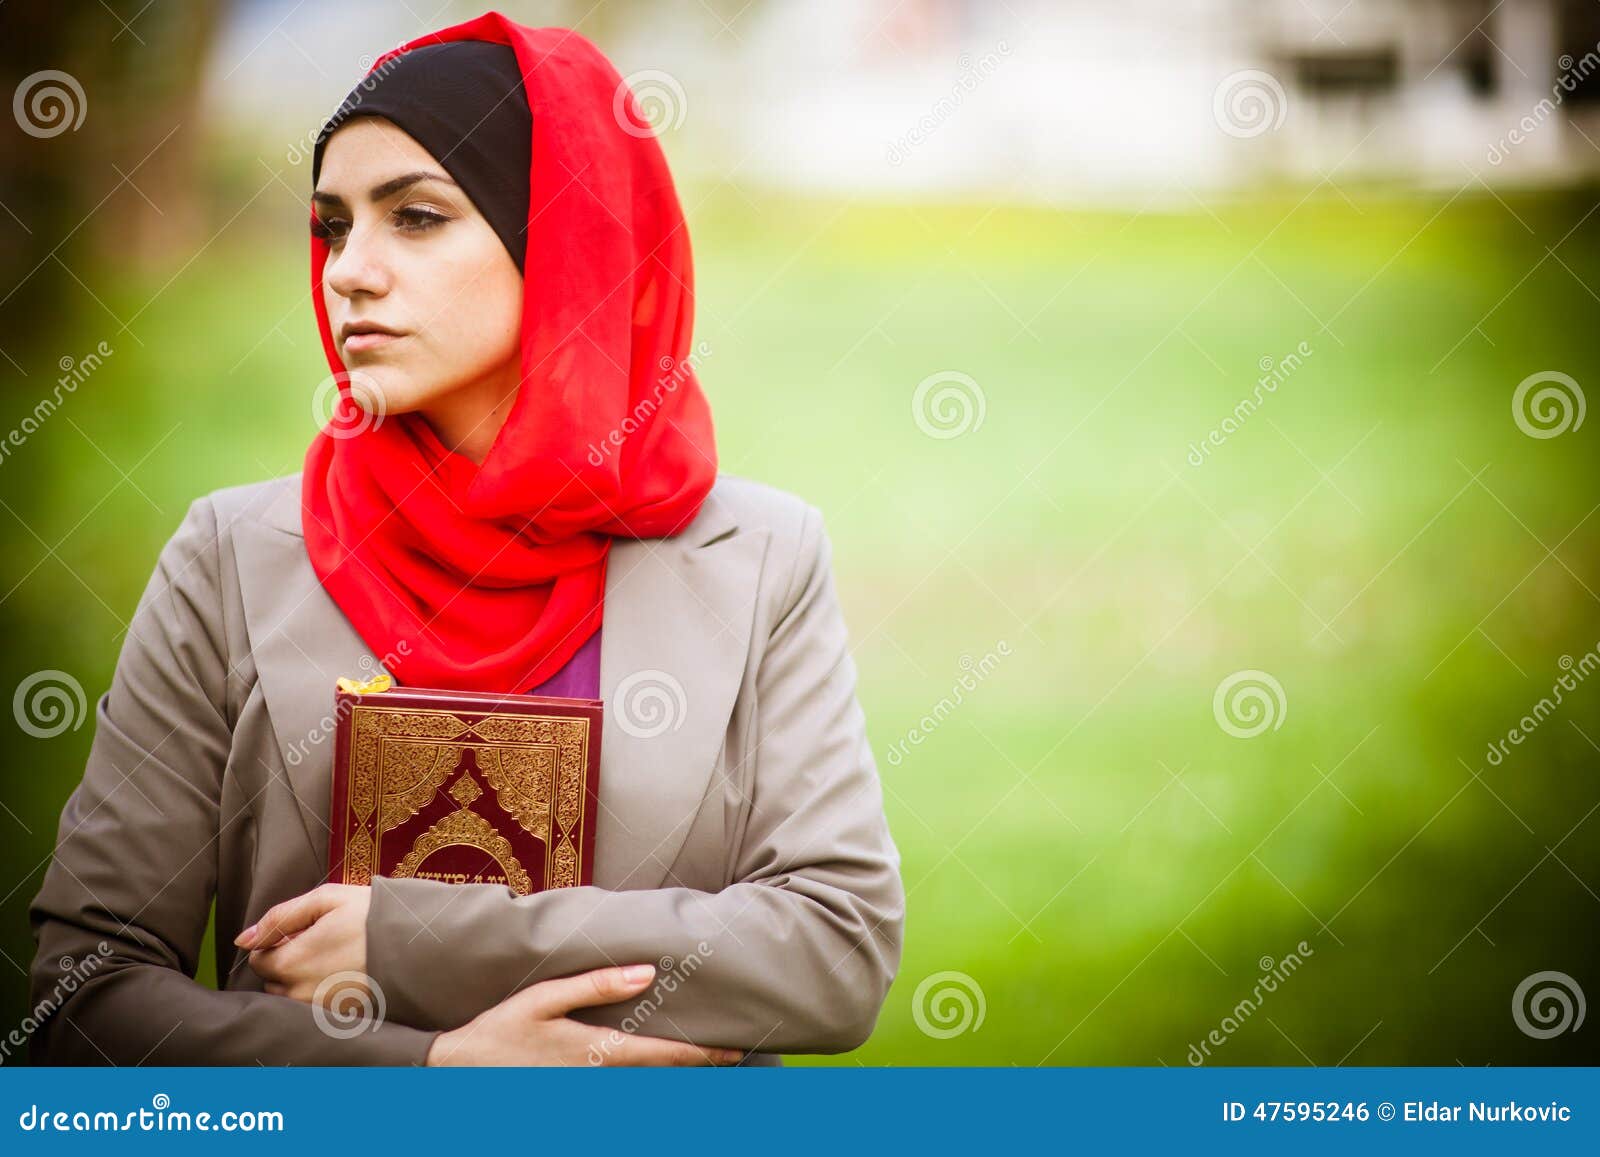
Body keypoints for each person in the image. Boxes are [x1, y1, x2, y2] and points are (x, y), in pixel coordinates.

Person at [27, 12, 904, 1067]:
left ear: (566, 239)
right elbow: (86, 1000)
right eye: (334, 224)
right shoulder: (233, 554)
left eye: (417, 217)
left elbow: (835, 948)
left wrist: (417, 941)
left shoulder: (758, 558)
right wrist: (436, 1076)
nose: (349, 269)